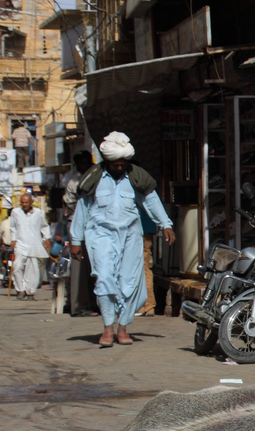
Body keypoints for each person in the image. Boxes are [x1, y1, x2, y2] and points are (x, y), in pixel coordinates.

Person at [69, 132, 174, 347]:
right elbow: (82, 209)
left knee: (130, 282)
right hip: (101, 234)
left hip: (130, 235)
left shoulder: (136, 177)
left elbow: (151, 200)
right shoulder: (94, 178)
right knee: (104, 278)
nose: (119, 168)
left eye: (122, 164)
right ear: (107, 162)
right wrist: (76, 240)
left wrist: (166, 224)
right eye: (115, 165)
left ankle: (123, 328)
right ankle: (108, 328)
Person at [62, 151, 96, 315]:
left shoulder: (96, 177)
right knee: (80, 267)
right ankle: (79, 306)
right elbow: (72, 207)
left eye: (86, 163)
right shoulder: (74, 182)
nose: (84, 166)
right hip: (78, 224)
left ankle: (95, 302)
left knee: (94, 266)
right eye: (81, 164)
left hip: (95, 226)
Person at [9, 191, 51, 300]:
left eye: (26, 202)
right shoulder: (15, 212)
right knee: (17, 267)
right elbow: (13, 227)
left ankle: (30, 292)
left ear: (31, 202)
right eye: (22, 202)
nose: (24, 205)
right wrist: (13, 239)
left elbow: (44, 226)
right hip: (20, 244)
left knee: (33, 270)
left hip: (34, 244)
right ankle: (20, 289)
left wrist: (46, 238)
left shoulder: (38, 213)